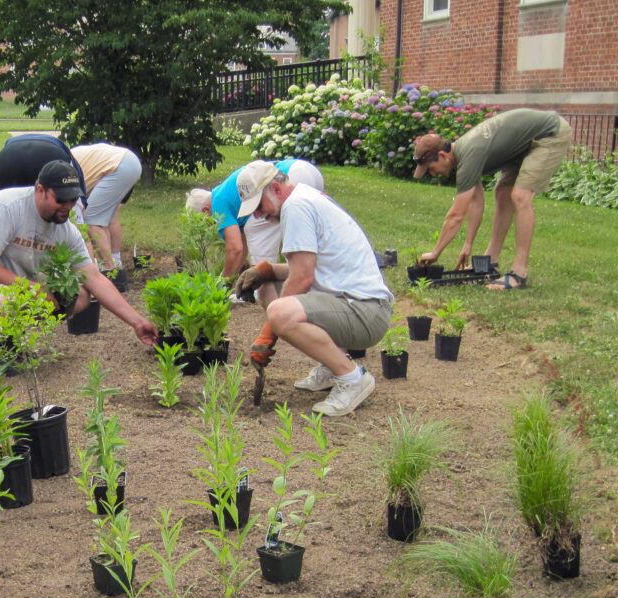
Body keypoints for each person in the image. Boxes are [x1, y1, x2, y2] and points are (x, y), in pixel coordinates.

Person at [234, 161, 393, 417]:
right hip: (357, 304)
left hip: (365, 312)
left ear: (275, 188)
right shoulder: (304, 199)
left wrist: (268, 333)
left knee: (280, 313)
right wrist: (267, 271)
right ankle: (332, 365)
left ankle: (352, 378)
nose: (259, 215)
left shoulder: (296, 207)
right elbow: (310, 267)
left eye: (259, 207)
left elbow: (302, 278)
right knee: (270, 289)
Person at [0, 161, 158, 346]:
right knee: (8, 302)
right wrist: (33, 289)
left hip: (13, 287)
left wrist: (137, 321)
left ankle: (11, 335)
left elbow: (94, 278)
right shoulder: (7, 207)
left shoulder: (67, 231)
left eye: (72, 199)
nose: (67, 206)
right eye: (61, 199)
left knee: (81, 295)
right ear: (40, 190)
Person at [413, 108, 572, 290]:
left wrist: (436, 252)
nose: (433, 174)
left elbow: (456, 215)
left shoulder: (469, 154)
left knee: (520, 196)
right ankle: (490, 261)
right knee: (503, 192)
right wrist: (468, 244)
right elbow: (475, 201)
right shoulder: (465, 154)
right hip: (526, 143)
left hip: (549, 133)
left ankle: (519, 273)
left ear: (442, 155)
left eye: (432, 168)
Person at [185, 158, 324, 281]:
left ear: (205, 211)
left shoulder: (218, 204)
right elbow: (242, 247)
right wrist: (233, 277)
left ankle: (261, 283)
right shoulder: (223, 193)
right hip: (306, 170)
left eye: (202, 222)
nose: (208, 227)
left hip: (287, 177)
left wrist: (222, 283)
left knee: (255, 227)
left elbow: (235, 248)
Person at [70, 143, 141, 271]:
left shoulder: (61, 169)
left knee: (92, 222)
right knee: (106, 220)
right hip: (127, 163)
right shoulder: (66, 158)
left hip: (118, 167)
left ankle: (109, 269)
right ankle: (114, 264)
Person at [0, 133, 87, 196]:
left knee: (6, 202)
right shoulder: (73, 166)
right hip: (50, 154)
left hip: (9, 153)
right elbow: (77, 206)